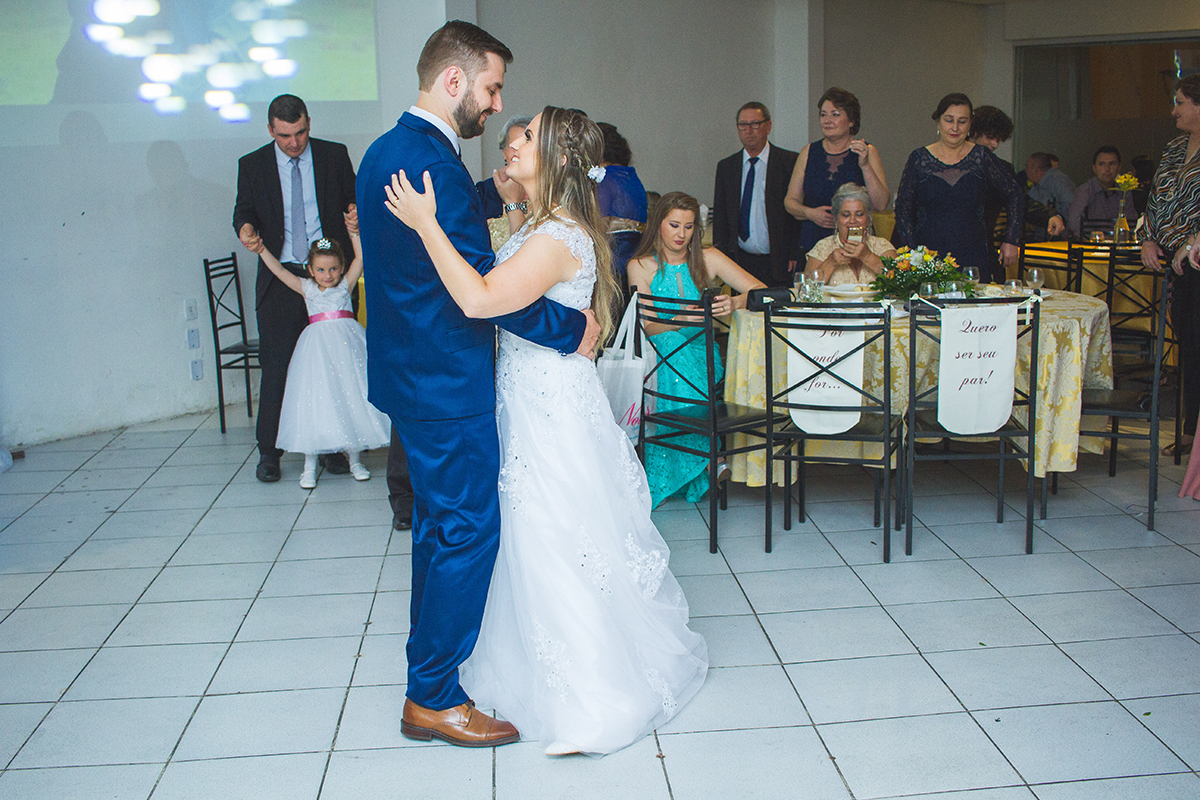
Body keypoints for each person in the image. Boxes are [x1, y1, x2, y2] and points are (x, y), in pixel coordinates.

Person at [385, 107, 707, 756]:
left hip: (550, 407)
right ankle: (525, 667)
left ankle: (591, 695)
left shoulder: (559, 235)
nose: (512, 142)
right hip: (530, 394)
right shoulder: (542, 223)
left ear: (558, 158)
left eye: (526, 135)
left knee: (557, 535)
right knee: (535, 537)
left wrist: (424, 224)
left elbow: (479, 300)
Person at [356, 21, 598, 749]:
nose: (496, 107)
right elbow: (483, 292)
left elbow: (430, 264)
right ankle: (433, 694)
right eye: (491, 88)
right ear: (455, 81)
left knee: (436, 531)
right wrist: (572, 331)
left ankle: (424, 680)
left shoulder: (387, 150)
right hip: (449, 384)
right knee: (465, 532)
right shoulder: (433, 162)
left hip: (411, 377)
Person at [233, 94, 358, 482]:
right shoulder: (252, 165)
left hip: (329, 275)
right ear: (271, 130)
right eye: (285, 135)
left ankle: (333, 449)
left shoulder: (333, 155)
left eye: (301, 132)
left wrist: (355, 211)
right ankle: (269, 451)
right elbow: (244, 210)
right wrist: (246, 230)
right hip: (281, 275)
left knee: (334, 366)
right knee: (277, 365)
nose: (294, 142)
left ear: (309, 124)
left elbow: (352, 199)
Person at [627, 192, 767, 507]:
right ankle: (712, 458)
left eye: (689, 227)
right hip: (661, 351)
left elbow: (759, 289)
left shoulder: (709, 257)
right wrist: (682, 318)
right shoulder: (640, 265)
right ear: (657, 225)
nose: (681, 234)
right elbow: (650, 326)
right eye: (674, 225)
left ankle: (707, 458)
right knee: (673, 346)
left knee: (688, 355)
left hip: (703, 353)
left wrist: (733, 302)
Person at [251, 232, 391, 488]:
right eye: (321, 269)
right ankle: (309, 466)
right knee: (316, 403)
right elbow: (280, 272)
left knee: (351, 398)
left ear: (341, 267)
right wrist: (262, 251)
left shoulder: (344, 286)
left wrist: (354, 234)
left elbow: (361, 257)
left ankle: (355, 460)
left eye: (334, 268)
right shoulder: (306, 289)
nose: (328, 275)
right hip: (316, 352)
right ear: (311, 270)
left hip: (347, 350)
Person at [894, 93, 1023, 274]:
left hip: (973, 252)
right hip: (928, 254)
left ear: (970, 124)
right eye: (949, 120)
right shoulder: (918, 159)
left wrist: (1011, 239)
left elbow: (1015, 194)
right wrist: (911, 252)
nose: (955, 127)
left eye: (962, 121)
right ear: (938, 122)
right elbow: (903, 208)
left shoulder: (982, 157)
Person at [1142, 74, 1200, 459]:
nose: (1174, 110)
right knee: (1190, 348)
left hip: (1196, 257)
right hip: (1178, 265)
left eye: (1180, 102)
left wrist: (1193, 241)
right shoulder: (1176, 147)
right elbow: (1156, 196)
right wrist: (1148, 236)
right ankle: (1189, 433)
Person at [785, 88, 888, 264]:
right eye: (823, 115)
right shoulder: (808, 152)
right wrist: (810, 213)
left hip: (855, 242)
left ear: (851, 121)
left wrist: (864, 165)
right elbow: (790, 201)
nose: (827, 121)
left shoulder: (867, 152)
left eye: (835, 114)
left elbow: (881, 204)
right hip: (814, 239)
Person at [969, 105, 1065, 281]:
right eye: (991, 137)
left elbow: (1020, 201)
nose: (995, 145)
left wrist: (1049, 216)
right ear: (974, 132)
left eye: (999, 139)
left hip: (984, 250)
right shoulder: (949, 164)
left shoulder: (1001, 168)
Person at [712, 102, 801, 287]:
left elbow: (796, 215)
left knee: (776, 311)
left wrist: (794, 253)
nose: (748, 130)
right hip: (740, 260)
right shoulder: (727, 167)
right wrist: (721, 258)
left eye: (755, 124)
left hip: (778, 260)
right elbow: (721, 217)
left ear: (768, 126)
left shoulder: (789, 162)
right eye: (743, 125)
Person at [804, 183, 896, 285]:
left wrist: (867, 256)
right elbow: (807, 289)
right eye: (846, 215)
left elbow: (899, 284)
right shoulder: (823, 247)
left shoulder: (882, 246)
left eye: (859, 214)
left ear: (868, 219)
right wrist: (830, 262)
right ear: (836, 220)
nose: (852, 221)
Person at [596, 121, 648, 287]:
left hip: (614, 260)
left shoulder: (605, 178)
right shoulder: (632, 177)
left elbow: (599, 226)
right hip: (636, 258)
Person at [1066, 146, 1138, 239]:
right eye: (1101, 164)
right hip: (1090, 246)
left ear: (1119, 167)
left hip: (1118, 246)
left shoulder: (1124, 192)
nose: (1107, 169)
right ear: (1094, 168)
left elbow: (1132, 223)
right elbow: (1074, 224)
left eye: (1112, 164)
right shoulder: (1084, 191)